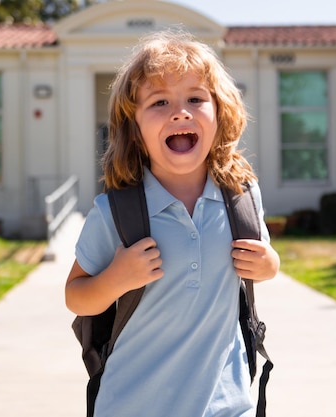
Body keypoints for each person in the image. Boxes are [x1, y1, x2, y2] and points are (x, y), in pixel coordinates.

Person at [65, 29, 280, 417]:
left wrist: (269, 265)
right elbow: (75, 295)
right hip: (132, 406)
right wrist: (115, 279)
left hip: (227, 406)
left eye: (196, 99)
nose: (180, 112)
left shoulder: (241, 198)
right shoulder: (115, 211)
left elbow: (263, 262)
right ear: (135, 129)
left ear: (220, 113)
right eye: (159, 102)